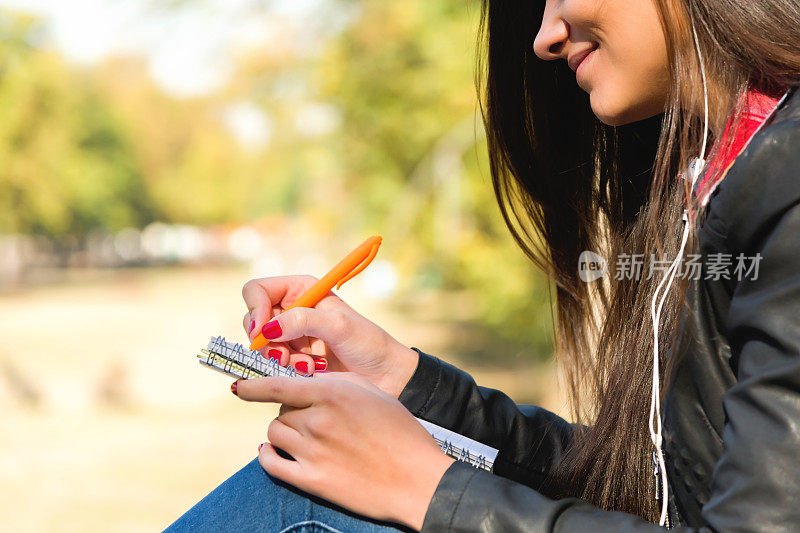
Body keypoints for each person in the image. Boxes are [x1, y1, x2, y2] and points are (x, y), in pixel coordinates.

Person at [166, 0, 800, 531]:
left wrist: (430, 491)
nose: (545, 36)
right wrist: (402, 380)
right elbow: (647, 489)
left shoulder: (786, 173)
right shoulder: (722, 176)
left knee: (296, 502)